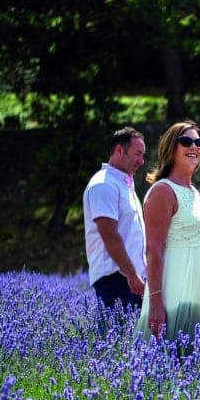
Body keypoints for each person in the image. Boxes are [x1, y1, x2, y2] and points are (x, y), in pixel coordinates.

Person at [136, 121, 200, 342]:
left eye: (199, 142)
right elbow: (154, 250)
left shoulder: (194, 192)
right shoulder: (163, 191)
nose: (194, 147)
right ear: (171, 148)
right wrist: (156, 301)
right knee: (170, 363)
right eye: (186, 141)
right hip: (174, 293)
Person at [83, 126, 147, 312]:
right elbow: (109, 234)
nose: (142, 161)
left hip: (131, 277)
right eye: (137, 154)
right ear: (120, 150)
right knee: (117, 337)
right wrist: (131, 273)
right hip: (116, 277)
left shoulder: (124, 185)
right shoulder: (103, 184)